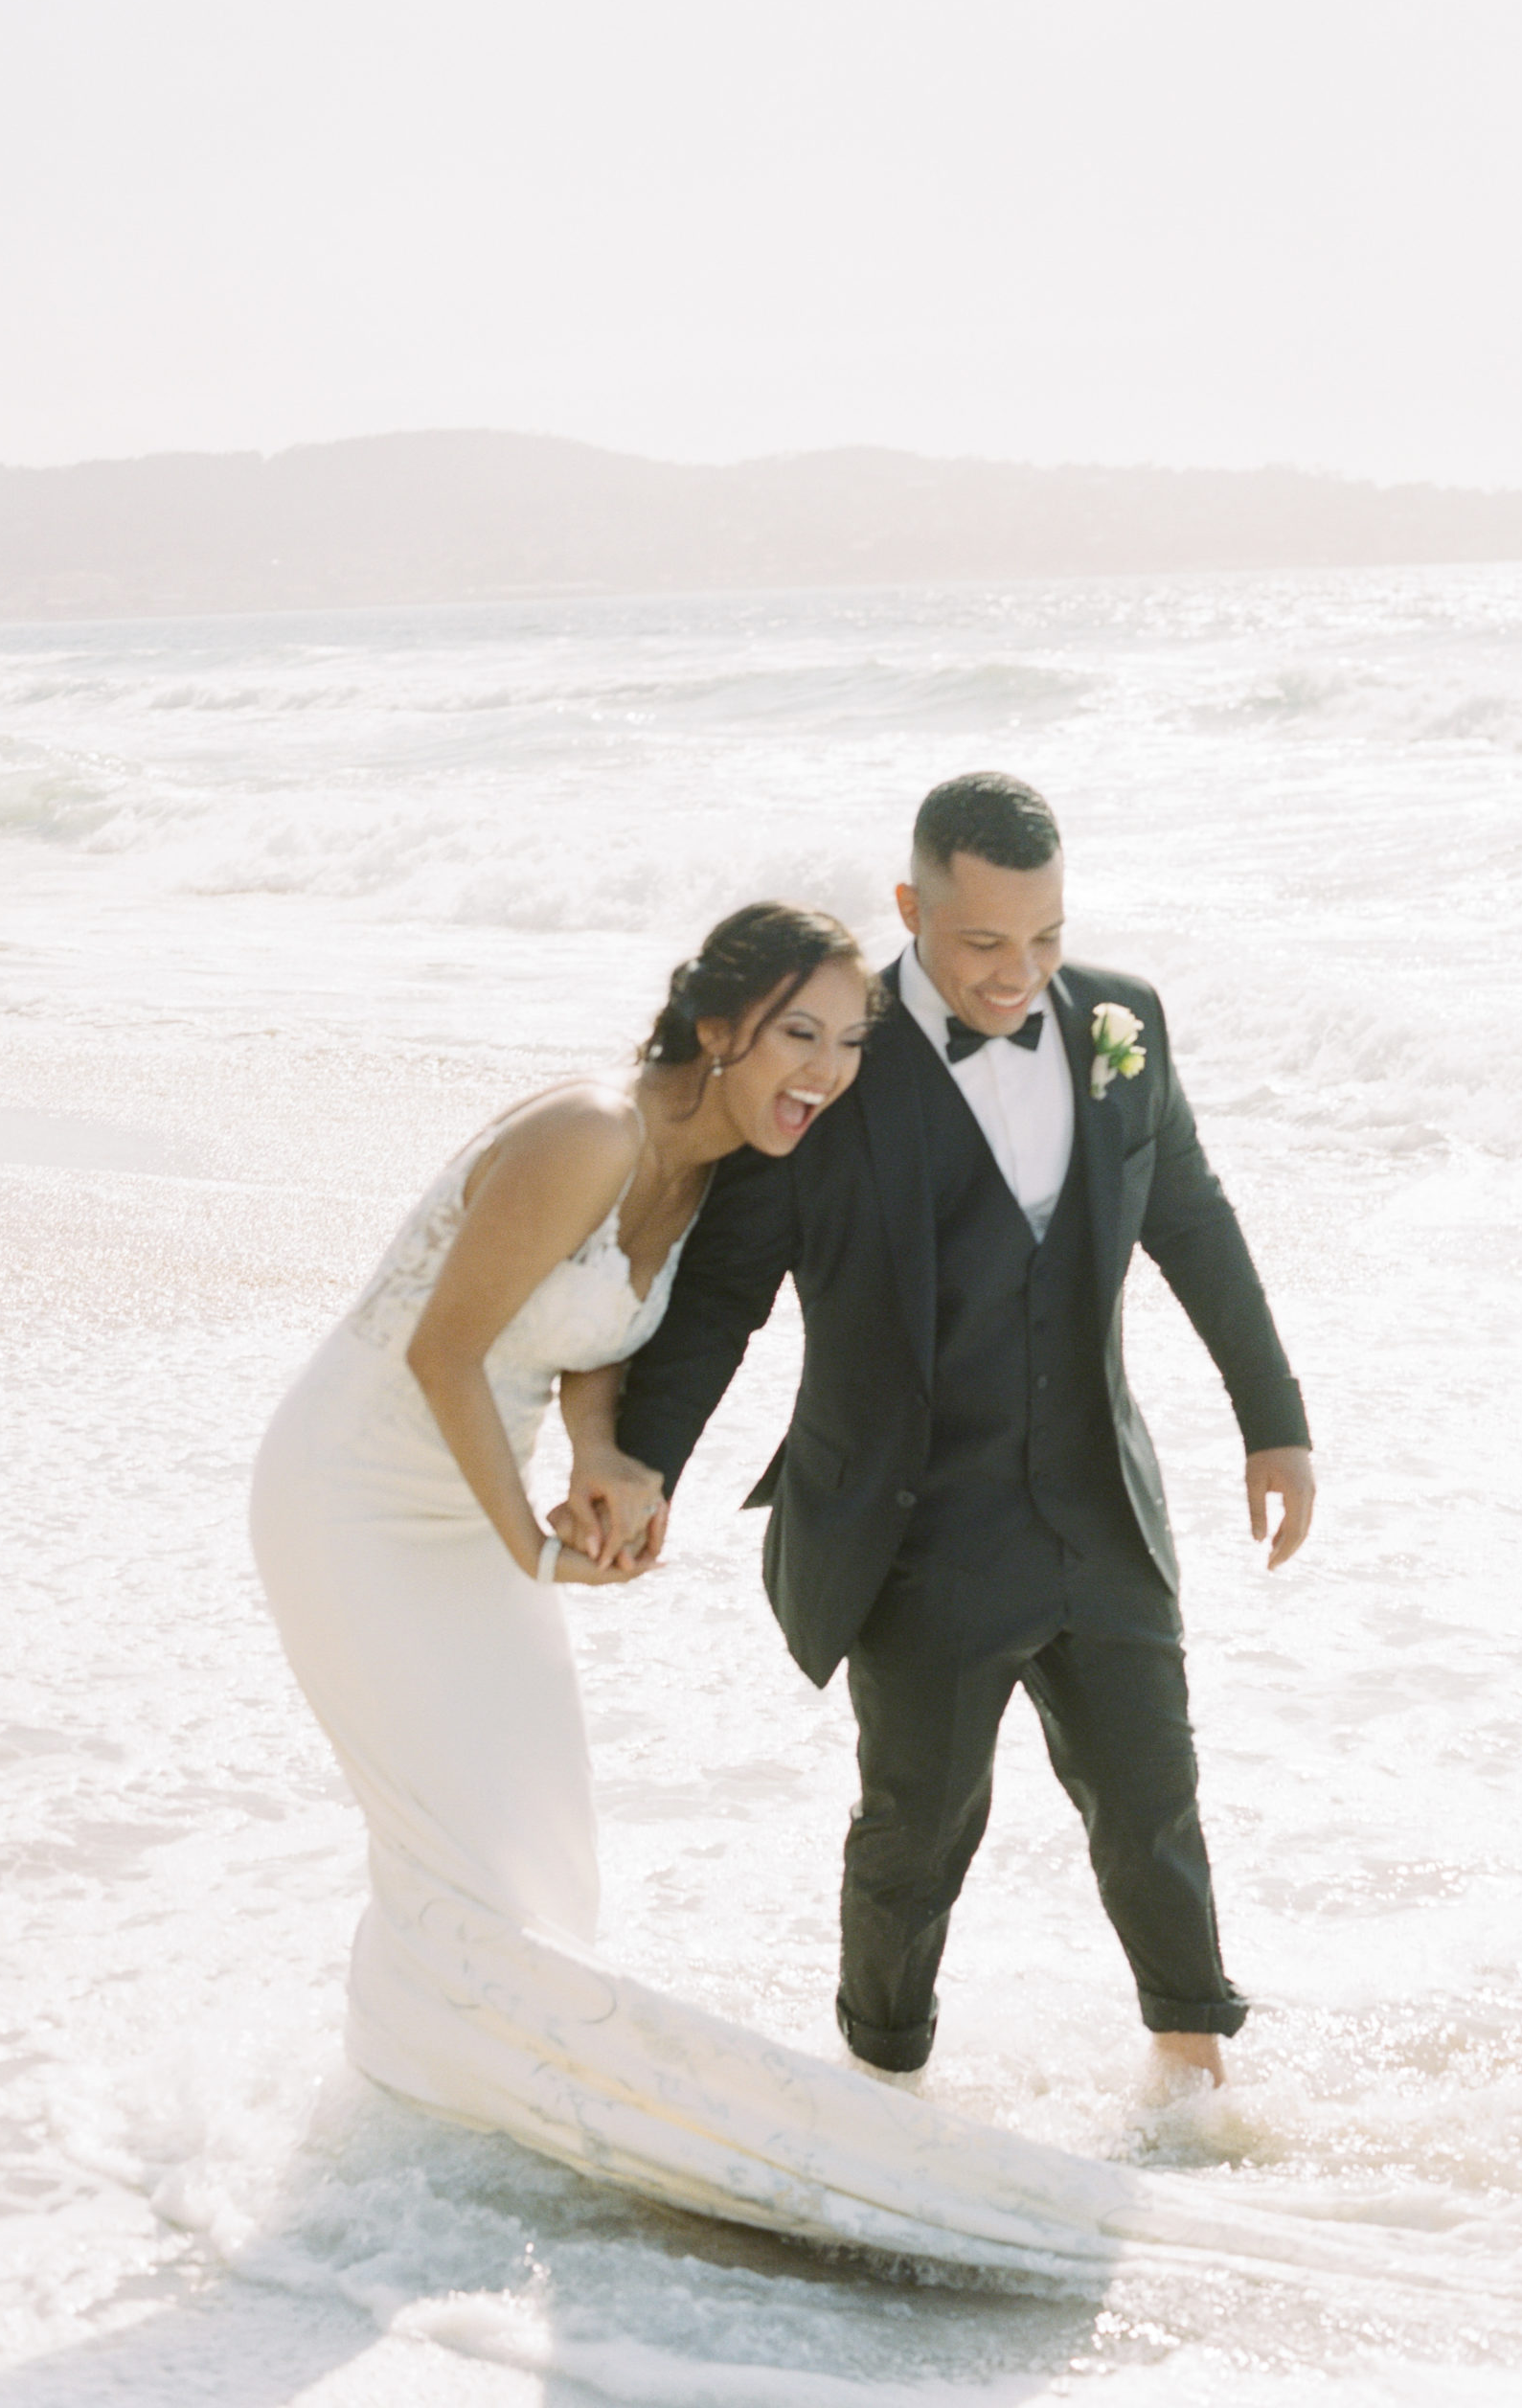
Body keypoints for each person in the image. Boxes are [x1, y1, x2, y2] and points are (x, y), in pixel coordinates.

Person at [249, 897, 1283, 2273]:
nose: (827, 1070)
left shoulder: (703, 1164)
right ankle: (453, 2103)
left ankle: (452, 2072)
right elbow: (446, 1353)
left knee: (534, 1834)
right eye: (799, 1033)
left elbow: (587, 1338)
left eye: (853, 1041)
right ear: (717, 1022)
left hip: (478, 1501)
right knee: (463, 1825)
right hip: (364, 1500)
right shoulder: (588, 1130)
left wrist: (608, 1457)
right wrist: (525, 1539)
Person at [607, 774, 1315, 2089]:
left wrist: (1272, 1422)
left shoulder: (1120, 1020)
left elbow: (1194, 1220)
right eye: (983, 941)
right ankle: (882, 2087)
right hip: (914, 1528)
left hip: (1096, 1502)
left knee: (1152, 1808)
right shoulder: (826, 1062)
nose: (1017, 973)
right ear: (909, 908)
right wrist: (642, 1463)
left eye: (1043, 936)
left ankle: (1190, 2086)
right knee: (917, 1830)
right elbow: (723, 1295)